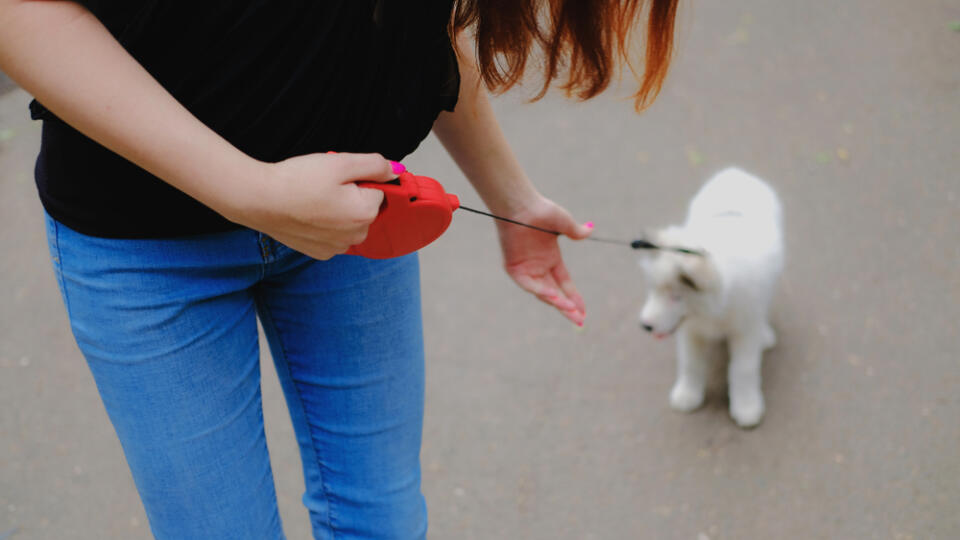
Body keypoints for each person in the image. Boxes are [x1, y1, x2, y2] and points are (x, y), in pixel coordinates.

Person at [0, 0, 678, 538]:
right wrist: (251, 192)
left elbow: (413, 27)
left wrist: (514, 202)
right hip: (144, 247)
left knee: (383, 522)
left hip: (354, 223)